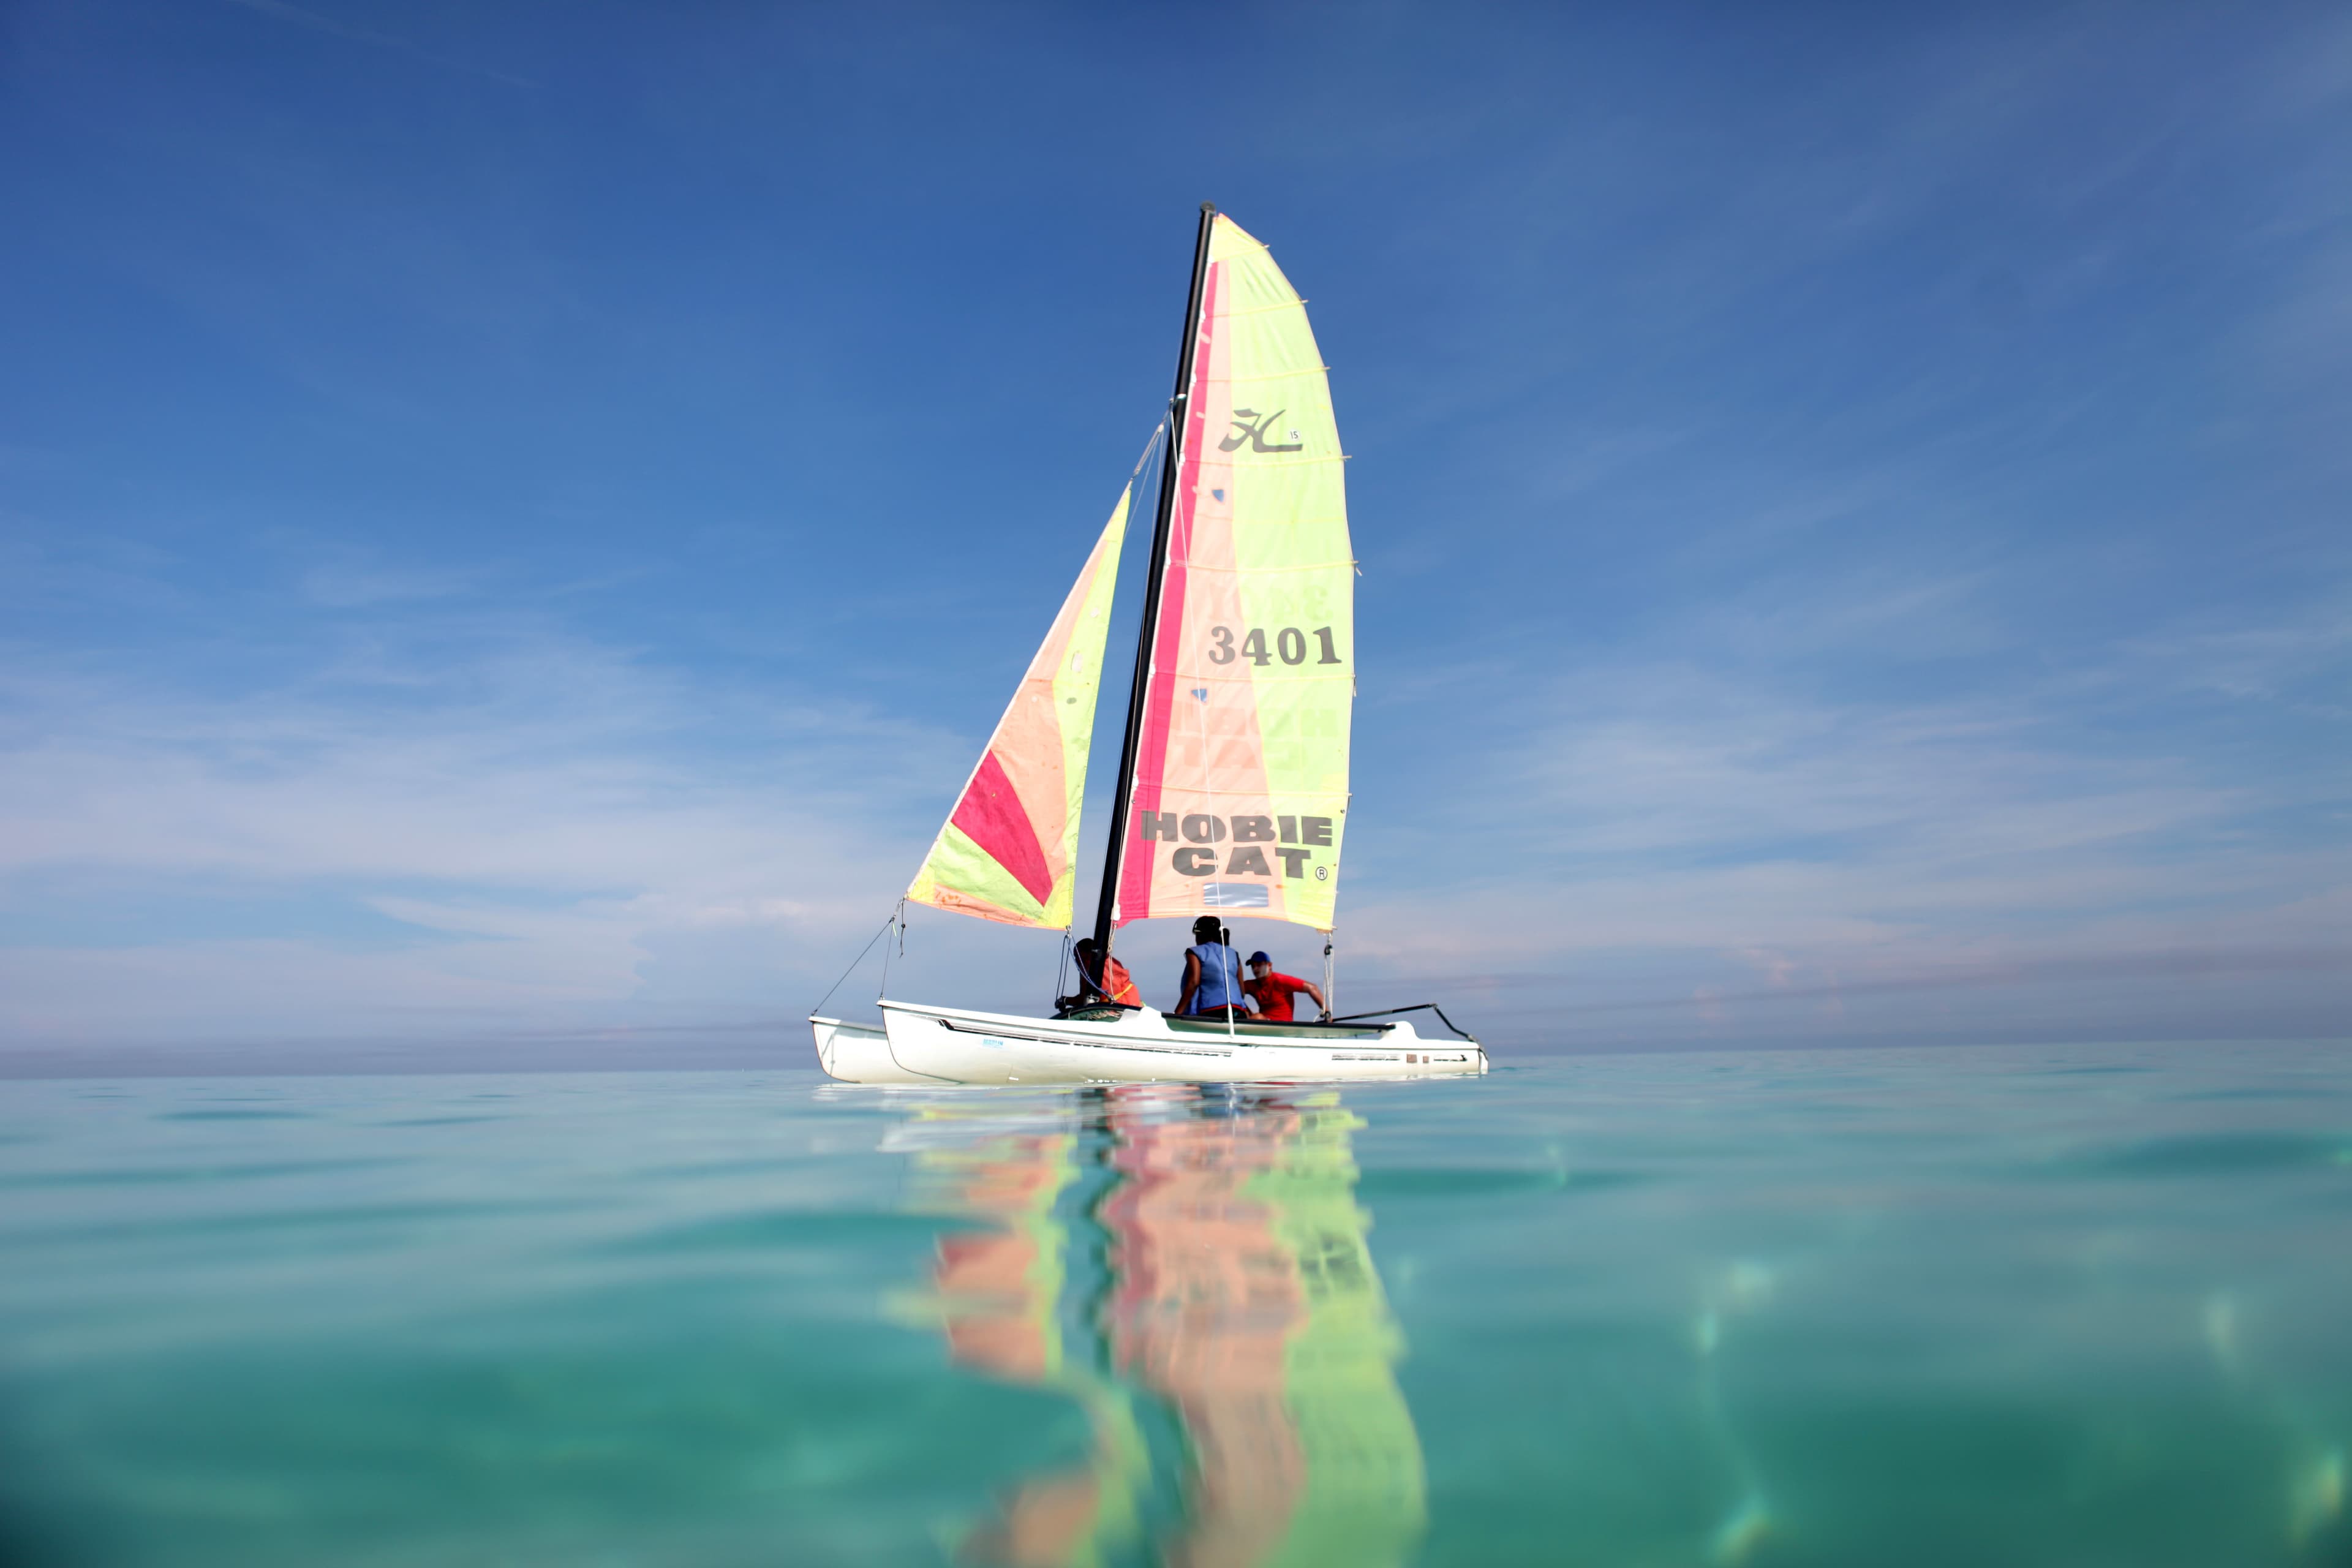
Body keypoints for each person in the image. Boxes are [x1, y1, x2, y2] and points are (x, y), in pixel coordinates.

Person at [1175, 916, 1250, 1020]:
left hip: (1211, 1011)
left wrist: (1177, 1013)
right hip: (1237, 1011)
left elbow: (1193, 983)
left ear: (1200, 935)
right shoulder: (1234, 954)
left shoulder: (1195, 952)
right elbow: (1241, 991)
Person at [1057, 937, 1140, 1013]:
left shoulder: (1087, 965)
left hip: (1118, 1007)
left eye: (1077, 955)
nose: (1076, 960)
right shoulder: (1110, 960)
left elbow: (1084, 999)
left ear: (1086, 954)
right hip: (1134, 1000)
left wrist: (1064, 1000)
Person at [1242, 951, 1327, 1022]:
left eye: (1259, 965)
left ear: (1270, 965)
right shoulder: (1252, 985)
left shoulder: (1280, 980)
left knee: (1258, 1018)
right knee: (1252, 1016)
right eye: (1253, 966)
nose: (1255, 969)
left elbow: (1312, 988)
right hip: (1264, 1023)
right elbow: (1232, 991)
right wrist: (1248, 1013)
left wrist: (1327, 1012)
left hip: (1283, 1026)